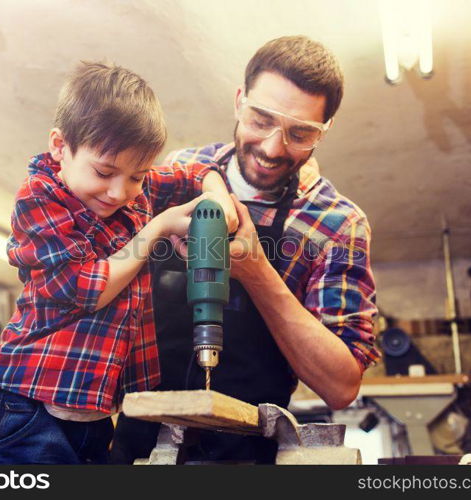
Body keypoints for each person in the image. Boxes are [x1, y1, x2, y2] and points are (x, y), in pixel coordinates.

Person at [111, 35, 380, 464]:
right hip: (136, 446)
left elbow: (341, 386)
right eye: (260, 119)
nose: (273, 148)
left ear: (325, 131)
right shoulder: (174, 176)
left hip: (248, 454)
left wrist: (256, 272)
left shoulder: (337, 225)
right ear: (239, 101)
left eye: (300, 133)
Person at [0, 61, 235, 465]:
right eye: (104, 172)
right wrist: (157, 227)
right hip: (27, 411)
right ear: (60, 146)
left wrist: (218, 198)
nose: (119, 192)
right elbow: (85, 287)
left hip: (94, 418)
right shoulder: (38, 198)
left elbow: (195, 171)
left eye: (137, 177)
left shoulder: (130, 188)